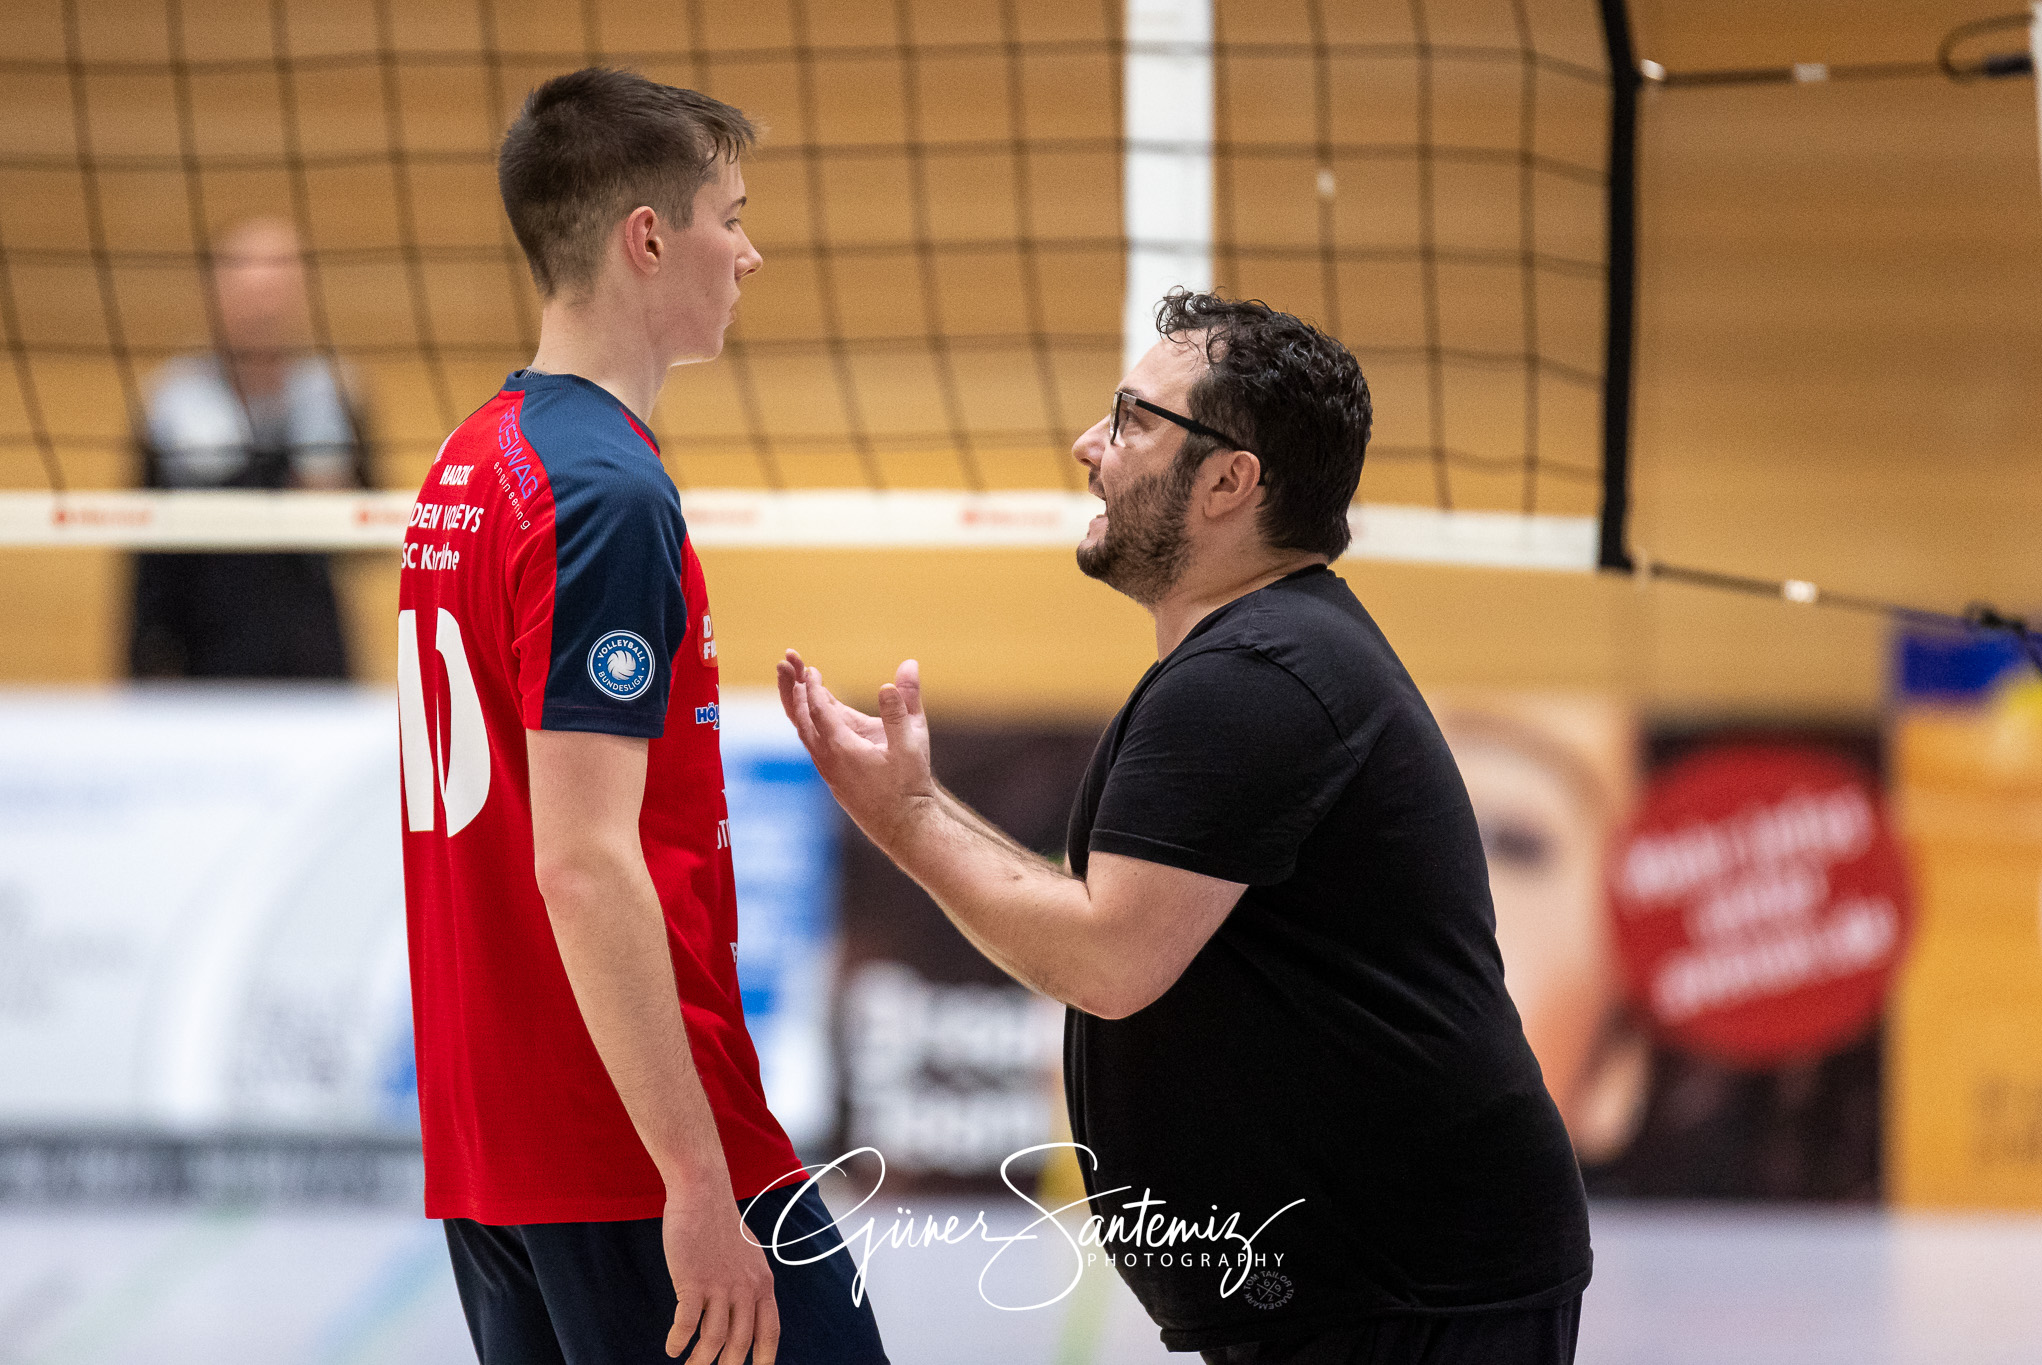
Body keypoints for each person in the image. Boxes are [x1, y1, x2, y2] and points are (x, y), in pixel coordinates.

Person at [779, 291, 1592, 1364]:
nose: (1088, 446)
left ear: (1226, 479)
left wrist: (908, 822)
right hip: (1375, 1285)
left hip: (1406, 1293)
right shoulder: (1262, 657)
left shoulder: (1256, 676)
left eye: (1130, 420)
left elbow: (1106, 956)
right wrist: (913, 811)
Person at [398, 69, 887, 1365]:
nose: (752, 250)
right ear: (649, 236)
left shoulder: (472, 458)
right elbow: (583, 859)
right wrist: (695, 1174)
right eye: (730, 213)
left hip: (495, 1147)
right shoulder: (602, 491)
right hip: (624, 1144)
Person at [129, 217, 369, 679]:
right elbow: (146, 561)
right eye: (248, 286)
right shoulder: (171, 403)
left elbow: (377, 531)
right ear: (214, 290)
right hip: (203, 666)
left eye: (278, 285)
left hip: (315, 664)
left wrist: (331, 503)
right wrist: (146, 670)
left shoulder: (334, 395)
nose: (263, 305)